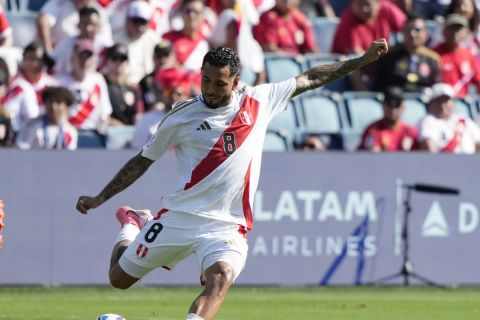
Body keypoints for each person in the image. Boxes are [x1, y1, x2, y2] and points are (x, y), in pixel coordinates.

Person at [75, 39, 388, 320]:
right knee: (118, 279)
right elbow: (142, 161)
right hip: (180, 216)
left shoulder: (258, 101)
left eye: (220, 84)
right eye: (206, 80)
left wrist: (361, 60)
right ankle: (133, 222)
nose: (210, 89)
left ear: (236, 82)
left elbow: (311, 77)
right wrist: (101, 198)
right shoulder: (181, 116)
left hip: (226, 225)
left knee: (221, 277)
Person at [373, 14, 440, 92]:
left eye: (417, 30)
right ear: (402, 32)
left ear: (426, 34)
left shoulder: (433, 59)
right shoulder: (388, 56)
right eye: (408, 30)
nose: (412, 34)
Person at [418, 82, 480, 153]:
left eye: (446, 101)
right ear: (432, 103)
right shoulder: (428, 121)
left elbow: (478, 142)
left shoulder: (463, 119)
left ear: (453, 102)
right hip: (444, 162)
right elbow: (430, 151)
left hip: (470, 161)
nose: (443, 105)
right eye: (438, 101)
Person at [358, 85, 417, 151]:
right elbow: (370, 157)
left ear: (403, 108)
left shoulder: (410, 132)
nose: (393, 110)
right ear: (383, 106)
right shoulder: (373, 130)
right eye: (389, 105)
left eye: (397, 105)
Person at [433, 14, 480, 97]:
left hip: (461, 102)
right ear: (444, 31)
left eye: (459, 29)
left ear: (466, 33)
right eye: (452, 29)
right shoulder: (434, 54)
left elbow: (478, 82)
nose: (455, 33)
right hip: (438, 101)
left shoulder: (469, 57)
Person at [253, 0, 318, 55]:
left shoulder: (300, 18)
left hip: (297, 61)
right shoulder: (268, 17)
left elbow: (311, 49)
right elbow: (269, 48)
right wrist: (291, 58)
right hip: (277, 62)